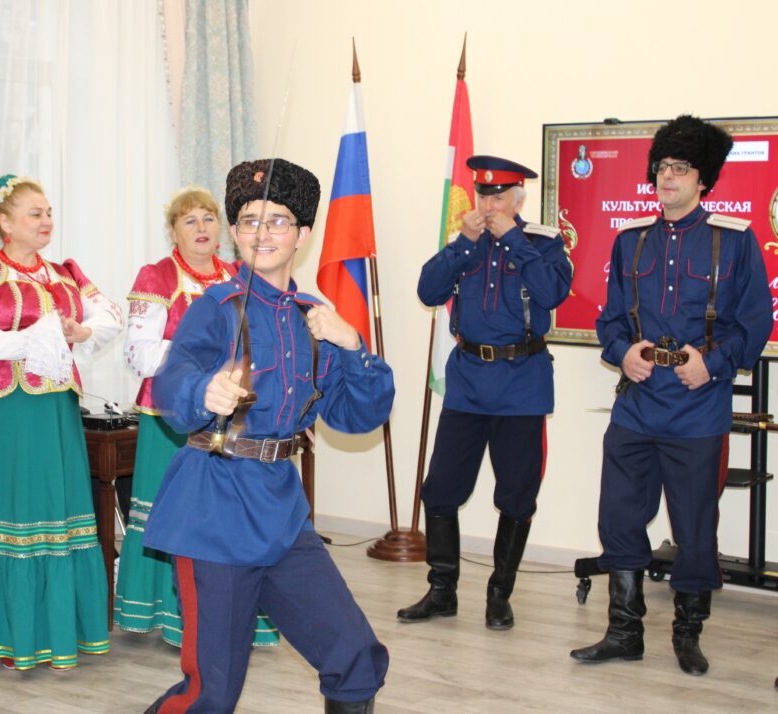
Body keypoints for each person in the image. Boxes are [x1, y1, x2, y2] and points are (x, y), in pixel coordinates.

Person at [143, 159, 394, 713]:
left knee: (355, 657)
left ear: (302, 235)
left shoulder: (315, 320)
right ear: (235, 233)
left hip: (281, 513)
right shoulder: (216, 309)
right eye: (249, 221)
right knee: (211, 692)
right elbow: (170, 383)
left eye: (277, 221)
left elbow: (358, 416)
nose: (262, 233)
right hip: (214, 512)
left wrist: (353, 346)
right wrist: (203, 390)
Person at [570, 116, 771, 675]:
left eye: (681, 169)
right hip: (636, 407)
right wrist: (622, 352)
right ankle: (624, 632)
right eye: (662, 167)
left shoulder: (734, 242)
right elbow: (611, 320)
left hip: (698, 412)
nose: (668, 177)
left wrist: (712, 364)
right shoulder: (631, 241)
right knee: (618, 517)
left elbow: (755, 322)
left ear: (703, 180)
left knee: (694, 528)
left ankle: (688, 633)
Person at [0, 175, 124, 670]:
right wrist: (36, 338)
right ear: (5, 222)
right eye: (35, 213)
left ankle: (55, 631)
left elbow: (110, 314)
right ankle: (6, 635)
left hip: (54, 412)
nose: (46, 221)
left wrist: (79, 330)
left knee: (55, 513)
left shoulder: (64, 273)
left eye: (49, 213)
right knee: (11, 513)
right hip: (2, 410)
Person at [399, 156, 573, 630]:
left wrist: (513, 239)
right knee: (439, 490)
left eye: (498, 196)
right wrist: (464, 244)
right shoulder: (465, 242)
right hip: (468, 385)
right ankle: (442, 591)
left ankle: (500, 595)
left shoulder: (544, 242)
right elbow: (428, 291)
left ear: (518, 199)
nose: (488, 204)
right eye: (483, 194)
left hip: (522, 386)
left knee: (517, 496)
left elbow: (552, 293)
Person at [115, 187, 280, 648]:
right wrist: (205, 360)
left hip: (232, 420)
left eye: (208, 218)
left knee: (227, 516)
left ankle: (230, 618)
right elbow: (139, 354)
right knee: (172, 516)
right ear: (173, 231)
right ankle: (169, 617)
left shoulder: (237, 277)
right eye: (189, 220)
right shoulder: (157, 277)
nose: (202, 228)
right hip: (171, 419)